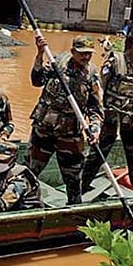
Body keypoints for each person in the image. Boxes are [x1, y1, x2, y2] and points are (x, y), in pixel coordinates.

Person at [28, 34, 103, 205]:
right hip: (44, 131)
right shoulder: (57, 63)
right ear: (72, 51)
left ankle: (74, 213)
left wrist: (95, 129)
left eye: (89, 53)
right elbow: (36, 81)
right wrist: (39, 54)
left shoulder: (91, 74)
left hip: (70, 136)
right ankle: (25, 206)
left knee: (74, 180)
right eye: (82, 53)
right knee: (30, 172)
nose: (86, 57)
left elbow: (96, 108)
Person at [81, 31, 133, 197]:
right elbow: (99, 90)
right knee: (98, 154)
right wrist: (97, 117)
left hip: (132, 120)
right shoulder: (114, 61)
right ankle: (81, 187)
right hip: (110, 119)